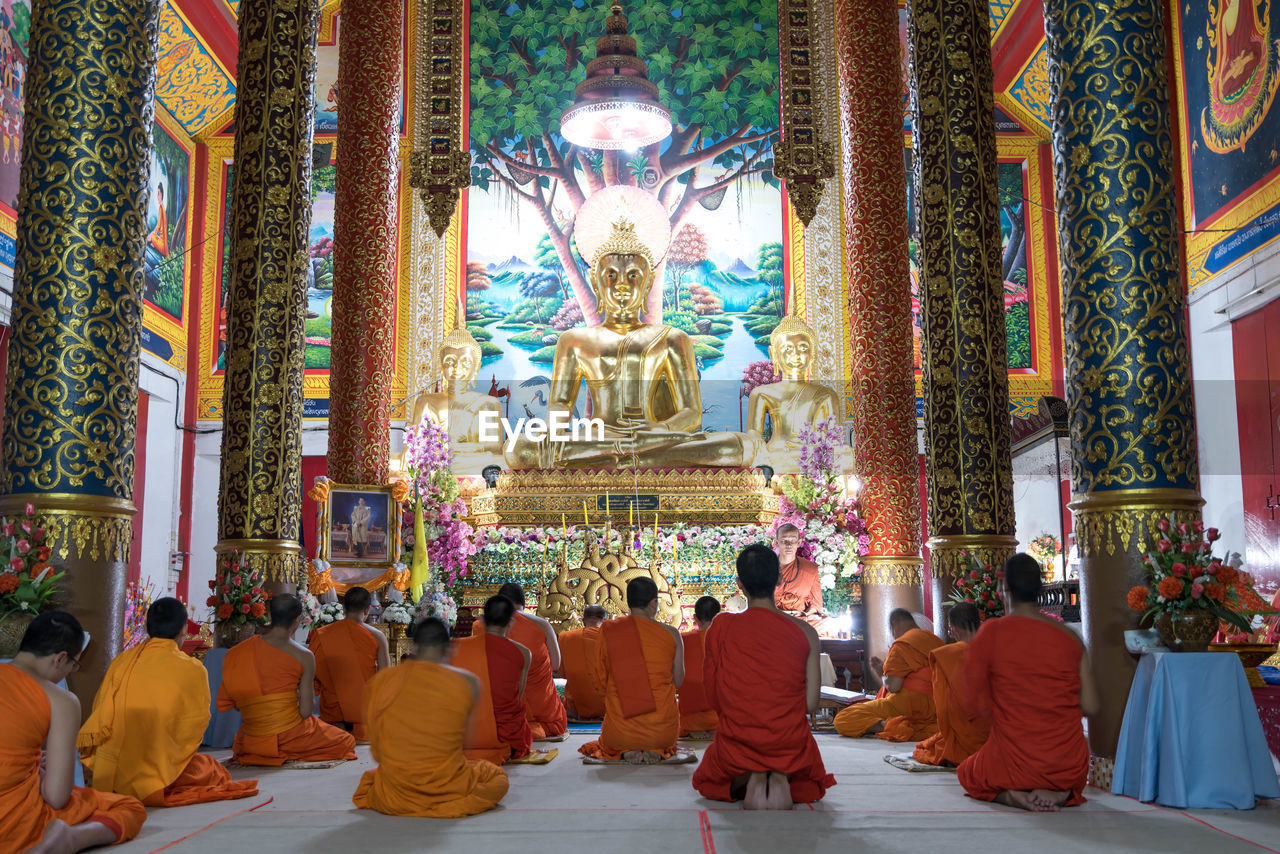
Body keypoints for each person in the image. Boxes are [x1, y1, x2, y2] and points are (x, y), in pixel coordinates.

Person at [692, 544, 835, 808]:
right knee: (806, 777)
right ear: (779, 579)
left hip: (738, 741)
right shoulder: (806, 632)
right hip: (789, 742)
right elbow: (810, 704)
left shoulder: (720, 627)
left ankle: (752, 773)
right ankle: (780, 773)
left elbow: (713, 698)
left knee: (708, 779)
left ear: (739, 584)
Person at [78, 598, 259, 806]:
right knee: (211, 770)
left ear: (146, 627)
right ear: (184, 629)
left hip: (112, 769)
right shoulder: (192, 668)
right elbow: (195, 727)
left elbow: (100, 709)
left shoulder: (122, 661)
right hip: (159, 769)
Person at [957, 554, 1098, 811]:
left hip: (1013, 762)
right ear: (1041, 588)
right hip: (1068, 765)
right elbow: (1090, 705)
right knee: (1065, 770)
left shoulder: (992, 632)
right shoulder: (1070, 638)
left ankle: (1012, 796)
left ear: (1003, 588)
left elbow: (973, 703)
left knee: (968, 772)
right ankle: (1060, 791)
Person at [0, 611, 147, 852]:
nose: (70, 671)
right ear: (60, 658)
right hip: (11, 827)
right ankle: (70, 839)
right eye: (74, 664)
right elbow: (57, 797)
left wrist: (32, 768)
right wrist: (39, 772)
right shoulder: (60, 700)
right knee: (129, 807)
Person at [353, 617, 509, 817]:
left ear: (414, 646)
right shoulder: (467, 682)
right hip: (447, 785)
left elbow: (377, 748)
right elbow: (466, 743)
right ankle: (440, 801)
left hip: (396, 790)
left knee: (374, 779)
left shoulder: (381, 681)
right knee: (497, 778)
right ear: (449, 648)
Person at [217, 594, 358, 766]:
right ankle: (284, 750)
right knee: (346, 741)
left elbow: (238, 704)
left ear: (269, 616)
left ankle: (266, 750)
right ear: (298, 620)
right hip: (290, 736)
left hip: (251, 737)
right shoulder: (304, 656)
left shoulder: (238, 652)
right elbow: (306, 711)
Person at [579, 577, 684, 764]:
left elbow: (600, 679)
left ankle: (626, 749)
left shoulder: (609, 630)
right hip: (662, 733)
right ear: (654, 602)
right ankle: (654, 748)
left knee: (614, 735)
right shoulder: (671, 634)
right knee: (662, 730)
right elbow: (679, 681)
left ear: (628, 602)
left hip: (620, 733)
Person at [471, 582, 568, 739]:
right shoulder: (542, 625)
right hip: (541, 710)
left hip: (496, 707)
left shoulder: (479, 626)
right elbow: (556, 664)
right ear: (523, 604)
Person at [833, 608, 943, 740]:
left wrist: (881, 671)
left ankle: (893, 727)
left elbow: (894, 687)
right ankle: (913, 726)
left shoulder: (902, 644)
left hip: (908, 705)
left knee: (843, 719)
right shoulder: (936, 641)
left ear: (894, 623)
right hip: (937, 706)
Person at [452, 595, 533, 763]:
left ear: (481, 620)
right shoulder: (523, 653)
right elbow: (518, 696)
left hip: (461, 736)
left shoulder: (456, 646)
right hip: (506, 737)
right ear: (510, 622)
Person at [911, 602, 989, 767]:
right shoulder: (994, 649)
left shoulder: (946, 655)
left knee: (923, 748)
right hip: (994, 733)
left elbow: (943, 708)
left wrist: (950, 736)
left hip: (965, 735)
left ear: (953, 627)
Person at [309, 586, 390, 740]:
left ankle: (338, 725)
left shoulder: (323, 634)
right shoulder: (378, 636)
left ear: (344, 608)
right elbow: (384, 677)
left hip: (333, 709)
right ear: (367, 610)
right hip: (364, 710)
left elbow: (314, 673)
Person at [772, 523, 835, 635]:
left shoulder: (809, 568)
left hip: (800, 618)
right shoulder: (767, 567)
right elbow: (759, 601)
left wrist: (805, 615)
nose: (788, 545)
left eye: (792, 540)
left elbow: (815, 605)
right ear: (776, 542)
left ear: (799, 543)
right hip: (774, 617)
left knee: (828, 623)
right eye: (784, 540)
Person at [679, 596, 720, 738]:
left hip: (690, 722)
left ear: (695, 618)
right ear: (719, 616)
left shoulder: (682, 640)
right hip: (721, 720)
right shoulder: (728, 640)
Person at [559, 604, 608, 720]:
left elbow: (562, 673)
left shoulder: (565, 637)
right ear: (605, 621)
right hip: (608, 707)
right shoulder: (613, 639)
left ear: (583, 620)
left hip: (575, 707)